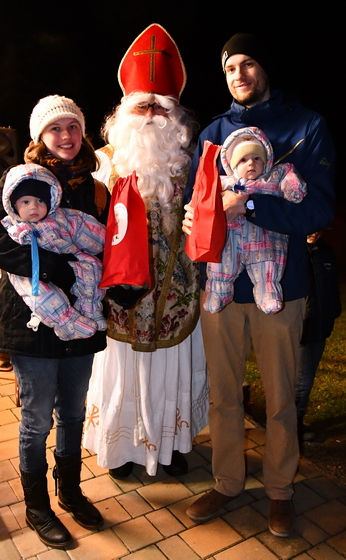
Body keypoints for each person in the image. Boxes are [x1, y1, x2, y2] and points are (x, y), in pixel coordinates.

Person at [182, 33, 335, 537]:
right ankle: (227, 482)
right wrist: (192, 219)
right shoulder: (211, 133)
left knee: (279, 397)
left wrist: (248, 205)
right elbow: (197, 201)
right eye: (230, 69)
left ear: (265, 67)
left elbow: (317, 208)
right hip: (220, 289)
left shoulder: (306, 126)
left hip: (281, 286)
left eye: (248, 63)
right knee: (223, 394)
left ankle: (279, 489)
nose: (240, 75)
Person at [0, 95, 109, 549]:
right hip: (31, 321)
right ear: (39, 137)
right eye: (55, 129)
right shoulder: (21, 180)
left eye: (73, 127)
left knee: (72, 413)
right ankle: (36, 507)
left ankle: (70, 492)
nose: (66, 136)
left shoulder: (93, 186)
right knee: (36, 420)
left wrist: (119, 280)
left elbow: (106, 243)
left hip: (82, 317)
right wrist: (47, 266)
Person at [83, 24, 209, 479]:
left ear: (175, 116)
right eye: (143, 105)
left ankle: (171, 447)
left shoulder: (189, 165)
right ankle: (121, 452)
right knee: (122, 370)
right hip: (120, 298)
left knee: (171, 370)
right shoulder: (100, 163)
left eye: (161, 106)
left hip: (175, 298)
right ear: (124, 113)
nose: (152, 113)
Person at [201, 126, 306, 315]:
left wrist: (291, 188)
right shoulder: (224, 182)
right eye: (243, 159)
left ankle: (268, 293)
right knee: (221, 263)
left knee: (267, 266)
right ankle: (218, 291)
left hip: (264, 240)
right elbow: (202, 197)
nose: (251, 163)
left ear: (266, 161)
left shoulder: (272, 179)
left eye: (257, 158)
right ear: (232, 165)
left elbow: (293, 189)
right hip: (230, 241)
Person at [1, 162, 107, 340]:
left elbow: (85, 227)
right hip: (32, 267)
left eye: (40, 201)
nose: (34, 207)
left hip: (69, 255)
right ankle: (65, 322)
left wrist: (102, 241)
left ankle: (90, 309)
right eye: (25, 202)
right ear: (13, 204)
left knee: (92, 266)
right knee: (39, 293)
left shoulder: (62, 216)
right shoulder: (15, 225)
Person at [296, 231, 341, 440]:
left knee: (308, 377)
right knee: (301, 379)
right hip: (302, 326)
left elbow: (332, 285)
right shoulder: (294, 249)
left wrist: (334, 310)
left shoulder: (326, 251)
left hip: (321, 323)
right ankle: (293, 426)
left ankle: (296, 421)